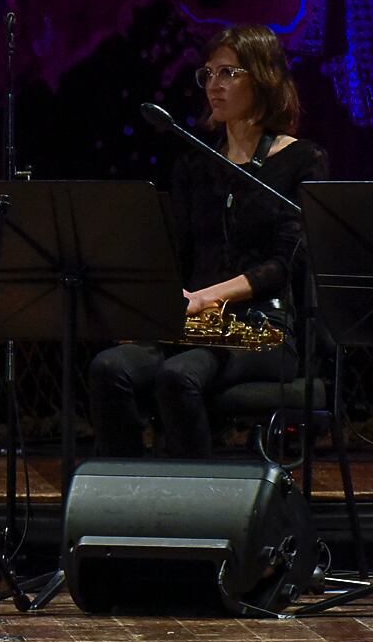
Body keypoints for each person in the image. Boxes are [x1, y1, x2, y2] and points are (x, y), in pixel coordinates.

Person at [89, 25, 327, 458]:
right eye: (208, 74)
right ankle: (131, 494)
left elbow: (283, 265)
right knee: (110, 368)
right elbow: (175, 251)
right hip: (193, 323)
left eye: (229, 73)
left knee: (178, 377)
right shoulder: (196, 163)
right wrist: (147, 306)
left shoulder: (301, 160)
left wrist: (206, 296)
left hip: (265, 329)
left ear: (264, 78)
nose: (214, 85)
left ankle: (196, 501)